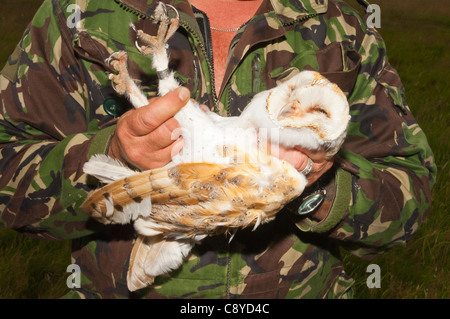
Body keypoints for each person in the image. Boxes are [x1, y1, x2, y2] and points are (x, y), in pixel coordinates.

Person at [0, 0, 436, 299]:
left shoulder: (340, 20)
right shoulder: (80, 11)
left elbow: (409, 201)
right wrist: (112, 153)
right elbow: (6, 172)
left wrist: (316, 188)